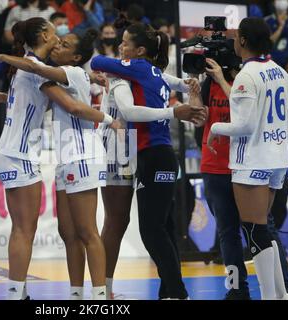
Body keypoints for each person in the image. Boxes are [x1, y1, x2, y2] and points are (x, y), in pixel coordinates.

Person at [0, 17, 119, 300]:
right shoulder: (36, 67)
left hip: (47, 154)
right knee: (29, 230)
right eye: (57, 36)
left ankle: (91, 296)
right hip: (22, 154)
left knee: (72, 232)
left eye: (66, 42)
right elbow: (46, 85)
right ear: (44, 34)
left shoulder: (40, 69)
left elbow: (58, 98)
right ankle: (18, 294)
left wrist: (4, 92)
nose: (59, 40)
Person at [91, 23, 194, 300]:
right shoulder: (130, 73)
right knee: (120, 221)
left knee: (144, 224)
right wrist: (183, 88)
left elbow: (161, 81)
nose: (120, 47)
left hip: (135, 151)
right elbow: (166, 80)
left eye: (125, 43)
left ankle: (166, 290)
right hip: (119, 150)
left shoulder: (135, 72)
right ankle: (104, 291)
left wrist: (184, 86)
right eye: (120, 41)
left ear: (139, 51)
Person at [208, 17, 288, 300]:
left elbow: (244, 125)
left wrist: (217, 129)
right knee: (262, 229)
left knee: (255, 230)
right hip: (277, 159)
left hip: (252, 161)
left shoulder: (247, 74)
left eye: (236, 37)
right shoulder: (280, 71)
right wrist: (221, 79)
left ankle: (271, 296)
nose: (233, 41)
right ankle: (280, 295)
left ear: (243, 40)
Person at [264, 0, 288, 66]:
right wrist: (281, 26)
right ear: (274, 2)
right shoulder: (266, 20)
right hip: (273, 60)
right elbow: (269, 43)